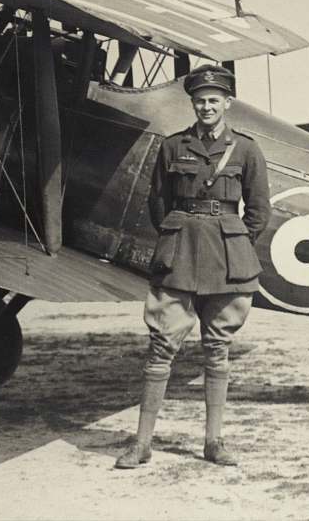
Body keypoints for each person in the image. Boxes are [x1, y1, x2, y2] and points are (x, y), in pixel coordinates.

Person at [115, 65, 270, 469]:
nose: (206, 106)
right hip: (179, 255)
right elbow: (158, 203)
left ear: (227, 104)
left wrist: (233, 243)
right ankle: (142, 443)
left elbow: (258, 210)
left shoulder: (247, 150)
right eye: (200, 100)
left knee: (218, 350)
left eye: (213, 100)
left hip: (227, 259)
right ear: (193, 104)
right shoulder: (172, 146)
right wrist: (176, 236)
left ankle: (214, 443)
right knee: (161, 347)